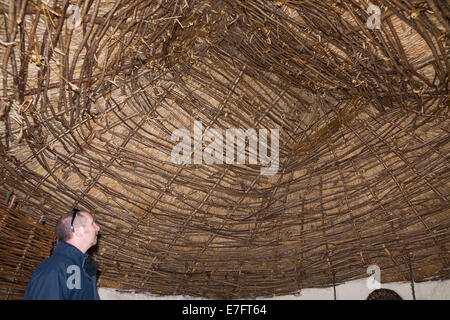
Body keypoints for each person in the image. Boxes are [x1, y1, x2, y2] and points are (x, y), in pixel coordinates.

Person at [24, 208, 101, 300]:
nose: (98, 228)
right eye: (92, 223)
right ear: (78, 230)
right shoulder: (54, 269)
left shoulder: (82, 270)